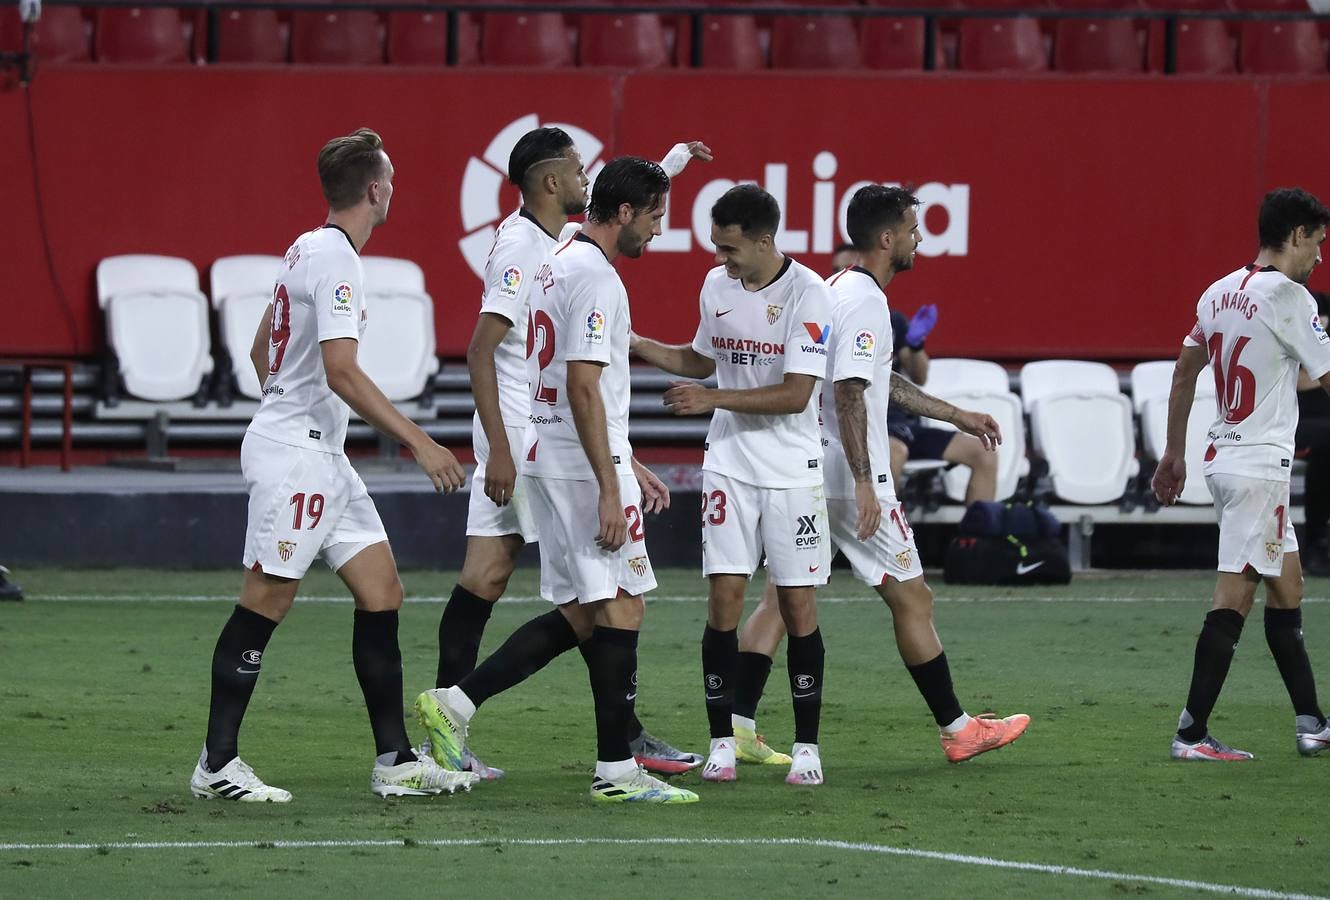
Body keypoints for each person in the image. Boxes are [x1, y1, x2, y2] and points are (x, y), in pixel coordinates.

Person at [190, 128, 477, 802]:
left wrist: (284, 403)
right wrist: (421, 442)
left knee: (382, 593)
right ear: (375, 190)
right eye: (393, 180)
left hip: (318, 452)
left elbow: (264, 343)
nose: (394, 190)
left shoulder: (305, 248)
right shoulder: (339, 260)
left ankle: (395, 761)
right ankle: (216, 764)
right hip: (299, 456)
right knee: (267, 598)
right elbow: (342, 371)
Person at [417, 157, 698, 804]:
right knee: (623, 604)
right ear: (624, 213)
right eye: (655, 216)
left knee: (582, 611)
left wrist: (625, 462)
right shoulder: (596, 277)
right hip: (577, 465)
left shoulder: (558, 259)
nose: (658, 231)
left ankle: (456, 703)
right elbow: (581, 383)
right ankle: (616, 772)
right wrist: (608, 481)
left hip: (550, 452)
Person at [731, 186, 1031, 764]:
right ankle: (957, 729)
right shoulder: (866, 301)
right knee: (913, 600)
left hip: (808, 468)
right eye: (914, 230)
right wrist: (867, 483)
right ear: (888, 238)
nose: (919, 239)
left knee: (779, 599)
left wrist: (956, 415)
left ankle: (739, 725)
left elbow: (875, 381)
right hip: (850, 478)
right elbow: (848, 391)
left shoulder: (836, 289)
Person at [632, 184, 834, 786]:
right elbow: (702, 359)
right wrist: (639, 344)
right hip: (729, 462)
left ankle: (808, 748)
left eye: (730, 248)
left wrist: (713, 397)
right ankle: (722, 741)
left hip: (792, 469)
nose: (722, 259)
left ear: (765, 240)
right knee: (724, 598)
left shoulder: (810, 294)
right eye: (717, 248)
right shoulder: (716, 285)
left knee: (796, 603)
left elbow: (798, 393)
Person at [1153, 186, 1330, 760]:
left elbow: (1183, 375)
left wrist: (1172, 453)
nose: (1320, 259)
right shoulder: (1290, 297)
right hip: (1259, 467)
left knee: (1289, 587)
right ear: (1297, 235)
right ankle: (1190, 733)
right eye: (1318, 244)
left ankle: (1312, 724)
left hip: (1225, 460)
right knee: (1234, 597)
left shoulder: (1218, 293)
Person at [885, 303, 998, 505]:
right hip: (874, 427)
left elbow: (919, 376)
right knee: (895, 452)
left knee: (983, 453)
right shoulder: (846, 318)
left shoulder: (893, 321)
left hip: (905, 425)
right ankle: (888, 530)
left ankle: (975, 536)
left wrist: (915, 344)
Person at [1296, 290, 1330, 577]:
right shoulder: (1290, 342)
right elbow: (1297, 381)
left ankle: (1319, 538)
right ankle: (1317, 540)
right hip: (1294, 424)